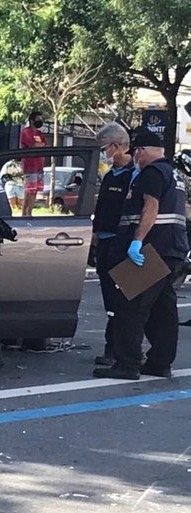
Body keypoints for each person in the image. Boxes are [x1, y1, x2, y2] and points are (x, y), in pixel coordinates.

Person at [93, 129, 189, 380]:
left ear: (142, 151)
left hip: (151, 251)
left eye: (137, 153)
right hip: (172, 250)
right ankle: (159, 363)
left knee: (128, 306)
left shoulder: (152, 173)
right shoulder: (174, 174)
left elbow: (151, 207)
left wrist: (136, 242)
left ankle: (127, 364)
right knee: (162, 308)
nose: (136, 158)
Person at [91, 122, 136, 367]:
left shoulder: (134, 175)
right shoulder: (110, 175)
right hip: (106, 243)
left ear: (117, 147)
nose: (102, 154)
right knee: (110, 300)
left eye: (104, 148)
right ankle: (114, 347)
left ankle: (121, 349)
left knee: (124, 300)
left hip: (124, 244)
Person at [19, 111, 47, 216]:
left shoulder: (40, 134)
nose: (40, 121)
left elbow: (44, 144)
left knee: (34, 191)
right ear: (32, 120)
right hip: (30, 166)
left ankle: (27, 212)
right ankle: (27, 213)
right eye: (38, 119)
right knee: (30, 191)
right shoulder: (26, 132)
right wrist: (39, 145)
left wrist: (39, 144)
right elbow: (33, 145)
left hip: (40, 166)